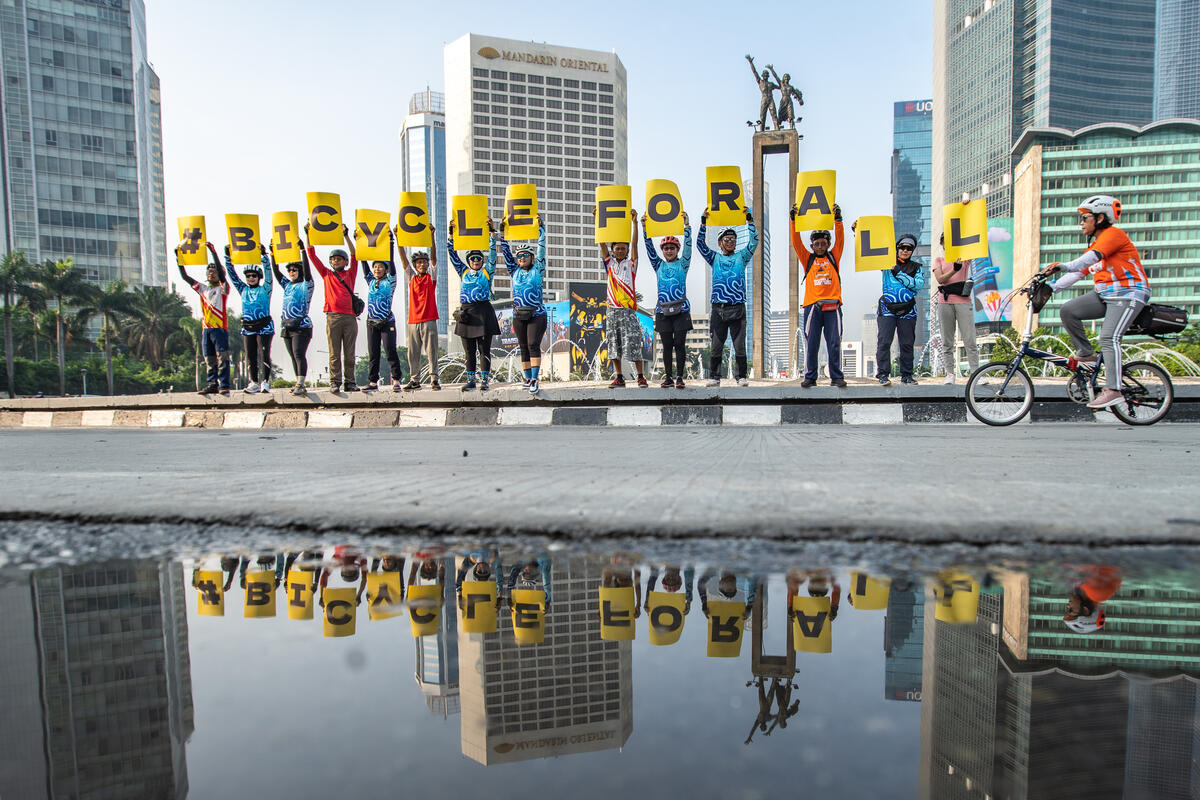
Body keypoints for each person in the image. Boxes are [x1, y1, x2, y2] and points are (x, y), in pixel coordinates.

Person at [1039, 195, 1150, 409]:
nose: (1081, 223)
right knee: (1069, 310)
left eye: (1085, 218)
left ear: (1100, 218)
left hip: (1128, 294)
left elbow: (1082, 262)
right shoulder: (1099, 244)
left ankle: (1114, 389)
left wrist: (1062, 265)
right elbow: (1079, 272)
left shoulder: (1113, 236)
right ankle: (1087, 355)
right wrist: (1051, 287)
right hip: (1104, 295)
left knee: (1109, 337)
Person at [697, 206, 758, 386]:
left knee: (739, 346)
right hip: (718, 308)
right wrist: (703, 223)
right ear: (720, 243)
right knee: (716, 345)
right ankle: (715, 377)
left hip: (738, 307)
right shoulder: (714, 258)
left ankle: (741, 376)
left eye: (733, 239)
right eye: (727, 239)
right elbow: (700, 245)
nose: (731, 242)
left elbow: (754, 242)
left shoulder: (742, 257)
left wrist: (750, 221)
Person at [790, 203, 846, 388]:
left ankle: (836, 376)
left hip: (833, 307)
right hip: (813, 307)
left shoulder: (834, 257)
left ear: (828, 244)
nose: (820, 246)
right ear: (811, 245)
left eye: (823, 243)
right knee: (811, 344)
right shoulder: (808, 259)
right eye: (817, 244)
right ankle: (810, 376)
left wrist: (838, 219)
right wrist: (793, 220)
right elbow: (795, 241)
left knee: (834, 343)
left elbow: (841, 240)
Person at [305, 223, 360, 392]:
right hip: (333, 317)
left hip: (350, 317)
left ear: (345, 261)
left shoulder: (350, 273)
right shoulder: (326, 274)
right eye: (333, 259)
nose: (336, 261)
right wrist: (308, 234)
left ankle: (350, 382)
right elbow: (311, 255)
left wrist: (346, 236)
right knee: (334, 353)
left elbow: (355, 254)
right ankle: (334, 382)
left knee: (350, 354)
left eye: (339, 258)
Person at [447, 218, 501, 391]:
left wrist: (492, 233)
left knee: (483, 349)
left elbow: (493, 255)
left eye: (478, 258)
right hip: (466, 313)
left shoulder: (486, 272)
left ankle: (484, 380)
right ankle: (470, 380)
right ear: (469, 260)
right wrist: (451, 234)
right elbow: (452, 255)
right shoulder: (463, 272)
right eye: (473, 258)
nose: (476, 260)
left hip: (484, 312)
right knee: (469, 351)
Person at [596, 208, 646, 388]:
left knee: (633, 342)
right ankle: (619, 377)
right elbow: (601, 244)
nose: (620, 251)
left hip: (628, 311)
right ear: (613, 250)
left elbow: (635, 245)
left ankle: (640, 376)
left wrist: (634, 223)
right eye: (617, 248)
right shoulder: (609, 264)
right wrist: (597, 220)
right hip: (612, 310)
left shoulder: (631, 264)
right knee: (613, 344)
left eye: (623, 249)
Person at [643, 212, 693, 388]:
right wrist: (644, 228)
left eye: (672, 248)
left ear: (677, 250)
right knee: (666, 345)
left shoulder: (683, 264)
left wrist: (687, 227)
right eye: (666, 248)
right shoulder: (658, 265)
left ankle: (680, 377)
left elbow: (688, 248)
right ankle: (668, 377)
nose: (669, 251)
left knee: (679, 344)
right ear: (662, 251)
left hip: (681, 309)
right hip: (662, 310)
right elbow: (649, 249)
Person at [500, 215, 548, 394]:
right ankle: (527, 378)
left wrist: (541, 229)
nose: (522, 258)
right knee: (522, 346)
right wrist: (502, 232)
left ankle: (535, 378)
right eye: (519, 256)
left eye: (525, 255)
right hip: (519, 315)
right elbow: (505, 253)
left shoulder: (538, 269)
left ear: (531, 257)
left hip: (537, 314)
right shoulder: (514, 271)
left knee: (533, 344)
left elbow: (542, 249)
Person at [177, 240, 231, 395]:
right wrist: (178, 258)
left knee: (223, 358)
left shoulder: (223, 289)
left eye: (214, 271)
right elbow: (185, 277)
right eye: (209, 271)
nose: (210, 273)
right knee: (209, 358)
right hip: (206, 329)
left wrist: (213, 252)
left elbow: (221, 275)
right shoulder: (203, 289)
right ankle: (212, 383)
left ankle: (224, 384)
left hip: (219, 328)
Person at [873, 232, 925, 386]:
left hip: (908, 310)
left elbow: (918, 285)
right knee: (884, 342)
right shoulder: (886, 263)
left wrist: (898, 272)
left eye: (909, 248)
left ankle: (907, 375)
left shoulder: (917, 267)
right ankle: (882, 374)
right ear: (897, 248)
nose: (905, 250)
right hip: (887, 309)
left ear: (912, 250)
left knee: (907, 344)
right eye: (902, 247)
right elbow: (869, 254)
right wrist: (858, 231)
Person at [224, 243, 274, 393]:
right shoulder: (243, 289)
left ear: (259, 277)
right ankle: (254, 382)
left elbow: (269, 272)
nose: (251, 278)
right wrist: (228, 256)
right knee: (250, 356)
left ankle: (265, 382)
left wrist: (264, 256)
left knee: (264, 354)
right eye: (248, 276)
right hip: (248, 327)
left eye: (254, 276)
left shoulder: (265, 288)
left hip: (264, 325)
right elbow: (232, 275)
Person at [932, 232, 979, 383]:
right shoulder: (939, 260)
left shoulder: (964, 259)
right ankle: (950, 374)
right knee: (947, 340)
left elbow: (976, 245)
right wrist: (954, 269)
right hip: (945, 302)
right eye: (946, 241)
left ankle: (976, 373)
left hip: (963, 301)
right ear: (942, 243)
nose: (949, 243)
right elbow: (940, 279)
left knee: (969, 339)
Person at [361, 233, 404, 392]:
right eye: (375, 267)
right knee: (373, 353)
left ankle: (397, 380)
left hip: (387, 321)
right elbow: (363, 262)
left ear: (385, 269)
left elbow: (392, 262)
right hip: (371, 321)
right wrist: (359, 242)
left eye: (380, 266)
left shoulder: (390, 281)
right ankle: (373, 382)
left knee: (390, 350)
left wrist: (391, 242)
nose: (377, 269)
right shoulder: (371, 281)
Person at [270, 245, 314, 396]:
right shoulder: (287, 285)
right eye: (289, 270)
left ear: (300, 271)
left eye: (294, 270)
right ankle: (297, 382)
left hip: (302, 325)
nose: (291, 272)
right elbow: (276, 273)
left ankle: (301, 383)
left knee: (298, 353)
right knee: (292, 356)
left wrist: (303, 251)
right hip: (287, 325)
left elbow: (308, 272)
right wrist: (272, 254)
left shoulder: (306, 285)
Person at [399, 229, 440, 391]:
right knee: (413, 353)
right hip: (413, 321)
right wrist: (398, 239)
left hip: (429, 319)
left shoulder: (431, 278)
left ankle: (434, 379)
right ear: (415, 265)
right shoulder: (411, 278)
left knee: (432, 352)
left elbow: (434, 260)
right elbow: (403, 262)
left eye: (424, 262)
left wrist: (431, 236)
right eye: (419, 263)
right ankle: (415, 380)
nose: (422, 264)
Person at [1063, 565, 1121, 634]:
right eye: (1071, 610)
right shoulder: (1099, 594)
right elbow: (1087, 564)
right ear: (1085, 610)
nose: (1067, 606)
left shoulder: (1078, 590)